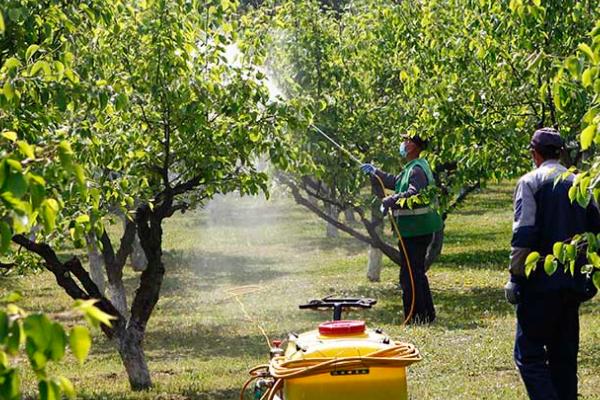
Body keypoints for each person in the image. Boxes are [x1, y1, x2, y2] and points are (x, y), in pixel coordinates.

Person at [504, 127, 600, 400]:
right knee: (564, 357)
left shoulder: (530, 182)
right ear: (561, 152)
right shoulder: (581, 183)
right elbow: (596, 229)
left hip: (539, 283)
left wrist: (516, 276)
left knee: (529, 354)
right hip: (572, 282)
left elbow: (524, 233)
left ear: (534, 154)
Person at [360, 135, 443, 324]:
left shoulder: (417, 170)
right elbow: (395, 182)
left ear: (413, 146)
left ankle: (415, 317)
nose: (403, 144)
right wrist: (375, 172)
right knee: (416, 273)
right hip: (413, 230)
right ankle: (426, 315)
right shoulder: (412, 168)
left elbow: (414, 194)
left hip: (416, 231)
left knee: (409, 276)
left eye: (406, 141)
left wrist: (390, 201)